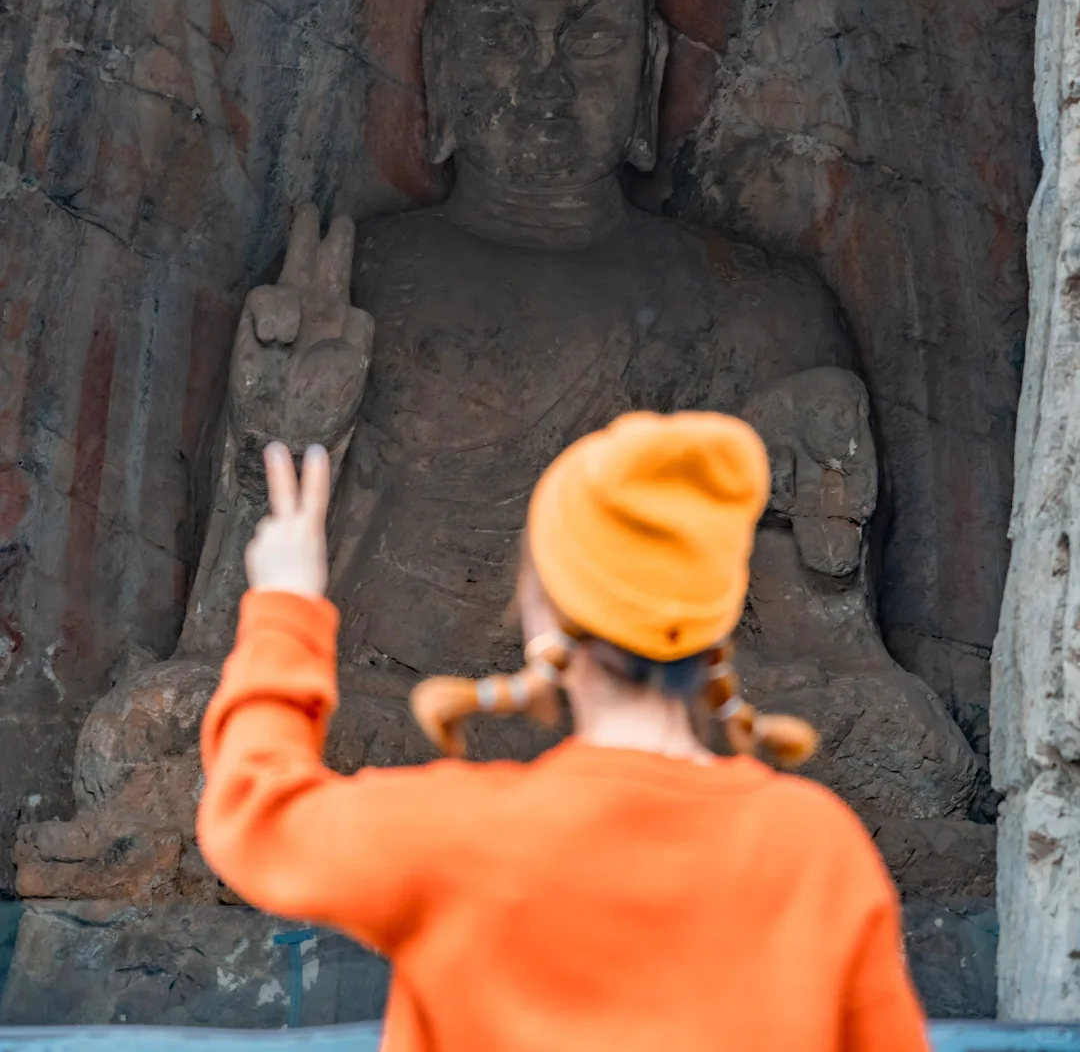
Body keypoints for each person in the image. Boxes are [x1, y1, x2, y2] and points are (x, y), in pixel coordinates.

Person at [197, 410, 929, 1052]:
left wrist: (286, 606)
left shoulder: (460, 833)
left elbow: (257, 814)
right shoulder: (817, 848)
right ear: (716, 628)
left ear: (543, 613)